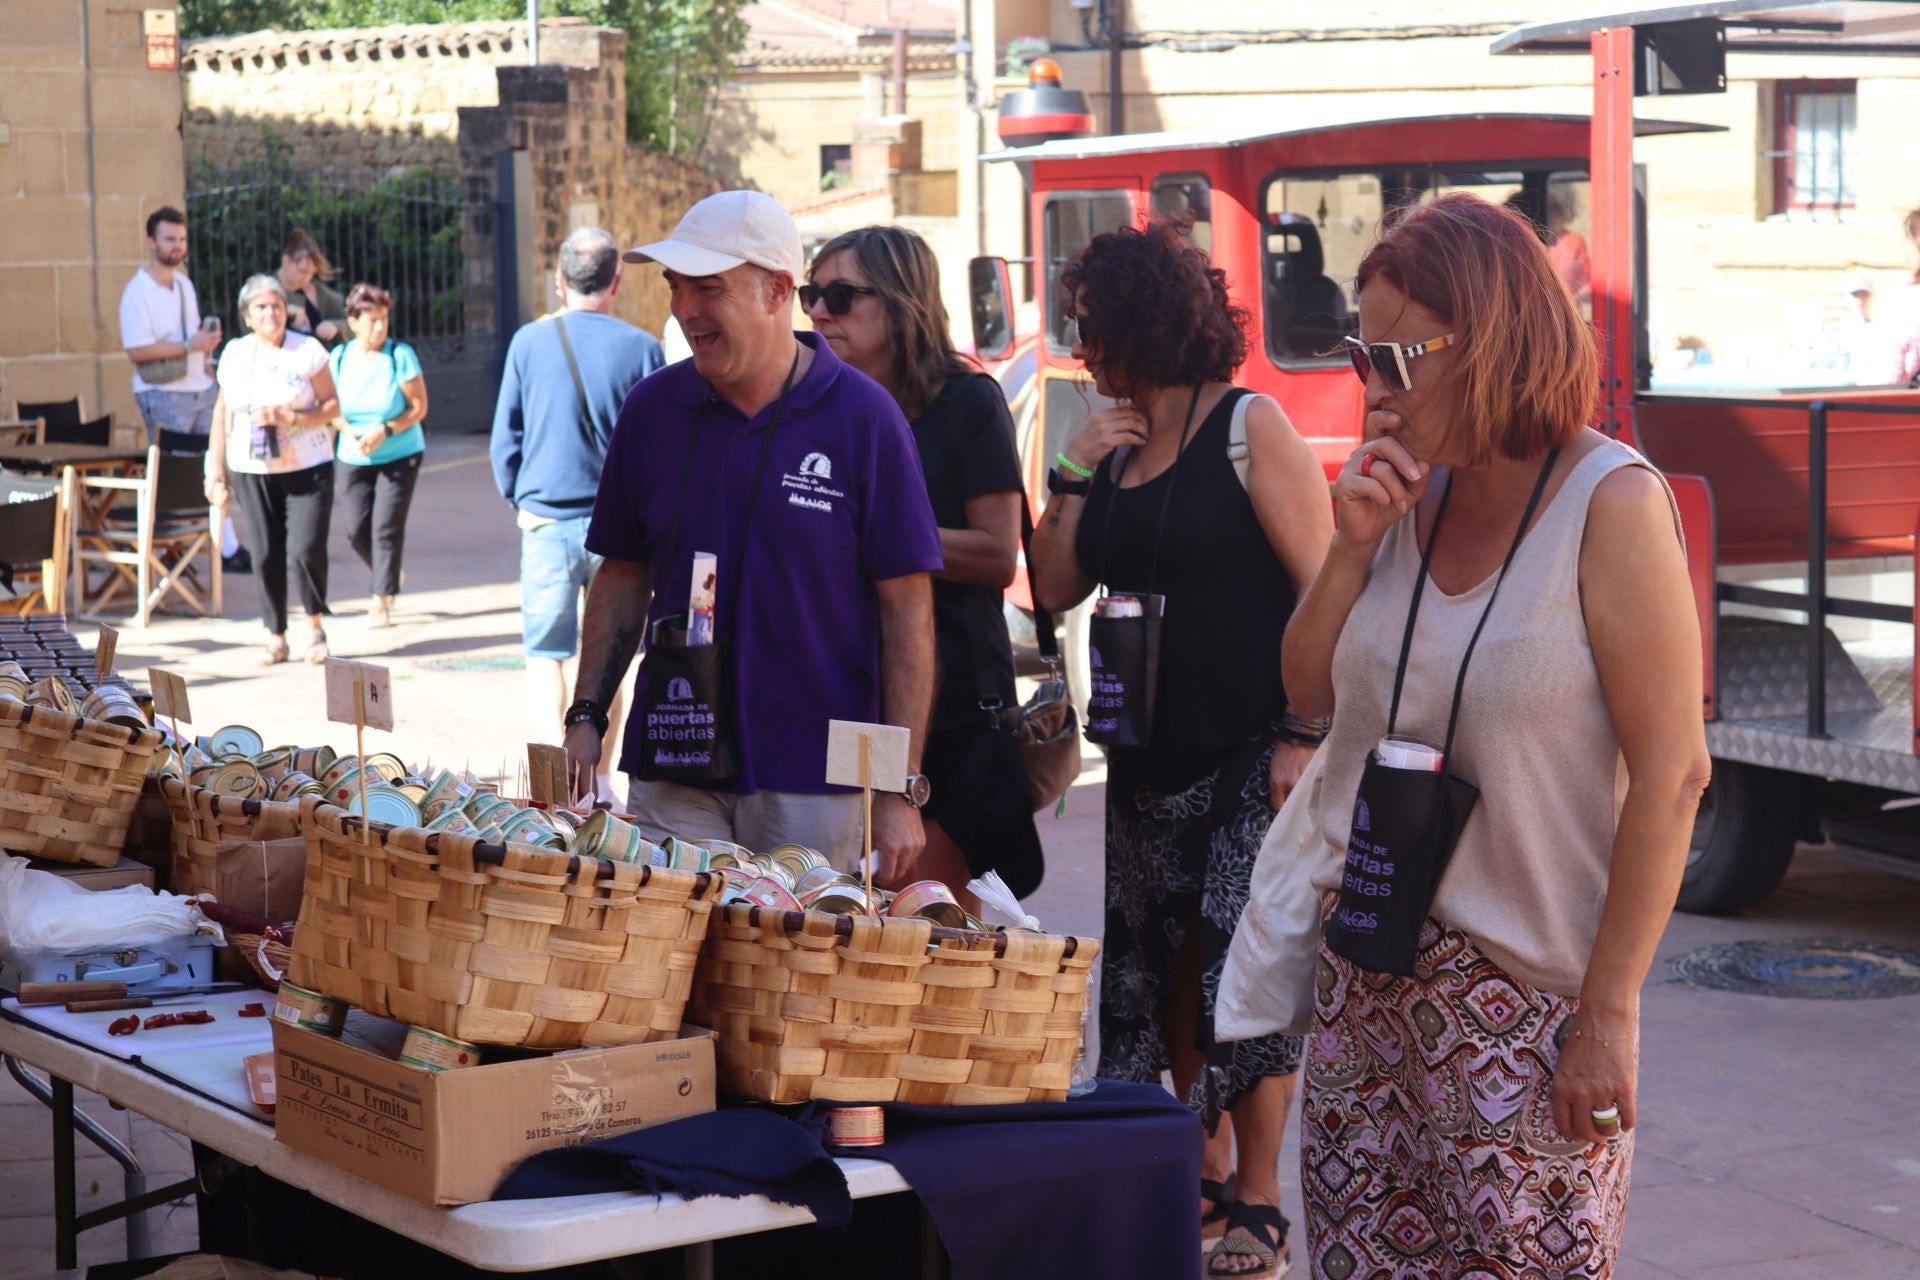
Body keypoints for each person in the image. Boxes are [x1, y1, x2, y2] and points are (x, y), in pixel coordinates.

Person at [1280, 194, 1709, 1278]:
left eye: (1396, 358)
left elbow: (1673, 775)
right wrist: (1349, 547)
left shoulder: (1610, 502)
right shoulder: (1399, 492)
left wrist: (1607, 1015)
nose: (1372, 388)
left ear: (1494, 342)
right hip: (1367, 976)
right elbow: (1304, 691)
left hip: (1525, 1008)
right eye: (1359, 356)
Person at [1026, 221, 1334, 1279]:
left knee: (1242, 960)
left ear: (1144, 321)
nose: (1082, 347)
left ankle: (1260, 1197)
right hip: (1145, 747)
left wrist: (1303, 733)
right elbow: (1053, 586)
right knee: (1162, 960)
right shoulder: (1106, 438)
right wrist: (1072, 471)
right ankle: (1199, 1168)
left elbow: (1325, 587)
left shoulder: (1249, 426)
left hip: (1251, 741)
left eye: (1094, 324)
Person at [562, 190, 942, 873]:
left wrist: (898, 784)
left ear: (777, 291)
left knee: (787, 947)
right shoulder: (651, 410)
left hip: (816, 775)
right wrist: (586, 714)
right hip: (675, 755)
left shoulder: (864, 419)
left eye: (708, 288)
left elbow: (907, 608)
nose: (684, 310)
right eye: (675, 286)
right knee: (673, 942)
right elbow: (622, 573)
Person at [804, 225, 1040, 908]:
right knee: (851, 913)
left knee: (925, 920)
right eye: (810, 295)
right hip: (853, 698)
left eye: (841, 297)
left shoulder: (966, 402)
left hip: (955, 705)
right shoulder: (825, 408)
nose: (818, 312)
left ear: (901, 302)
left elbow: (996, 552)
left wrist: (891, 540)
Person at [490, 227, 664, 764]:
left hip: (546, 520)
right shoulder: (642, 349)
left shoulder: (527, 343)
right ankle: (601, 777)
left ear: (560, 282)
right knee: (614, 653)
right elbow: (659, 448)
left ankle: (556, 777)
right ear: (616, 282)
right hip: (620, 535)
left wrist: (521, 498)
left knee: (546, 652)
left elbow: (505, 440)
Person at [203, 275, 341, 666]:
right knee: (265, 552)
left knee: (305, 549)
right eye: (261, 307)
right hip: (252, 467)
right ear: (247, 316)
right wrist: (214, 466)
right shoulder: (235, 354)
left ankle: (315, 627)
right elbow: (222, 413)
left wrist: (291, 416)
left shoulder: (307, 350)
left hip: (308, 465)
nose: (271, 313)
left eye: (277, 306)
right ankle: (275, 634)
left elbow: (333, 406)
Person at [117, 207, 249, 573]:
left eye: (181, 239)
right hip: (162, 392)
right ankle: (168, 552)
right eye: (169, 239)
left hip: (200, 388)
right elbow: (137, 350)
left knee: (214, 467)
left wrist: (205, 357)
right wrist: (190, 345)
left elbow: (194, 338)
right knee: (173, 473)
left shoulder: (184, 285)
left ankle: (225, 545)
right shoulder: (137, 292)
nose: (176, 246)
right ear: (151, 242)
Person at [328, 282, 429, 630]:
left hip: (400, 451)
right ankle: (388, 571)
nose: (379, 327)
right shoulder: (338, 359)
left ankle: (381, 598)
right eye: (371, 320)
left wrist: (385, 430)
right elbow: (329, 408)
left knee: (386, 527)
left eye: (384, 319)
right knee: (356, 529)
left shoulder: (400, 355)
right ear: (353, 322)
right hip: (354, 454)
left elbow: (419, 407)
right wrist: (348, 429)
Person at [276, 229, 348, 348]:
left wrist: (335, 326)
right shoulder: (263, 289)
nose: (306, 279)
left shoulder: (322, 294)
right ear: (286, 260)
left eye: (311, 274)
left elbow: (352, 324)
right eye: (302, 271)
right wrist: (283, 310)